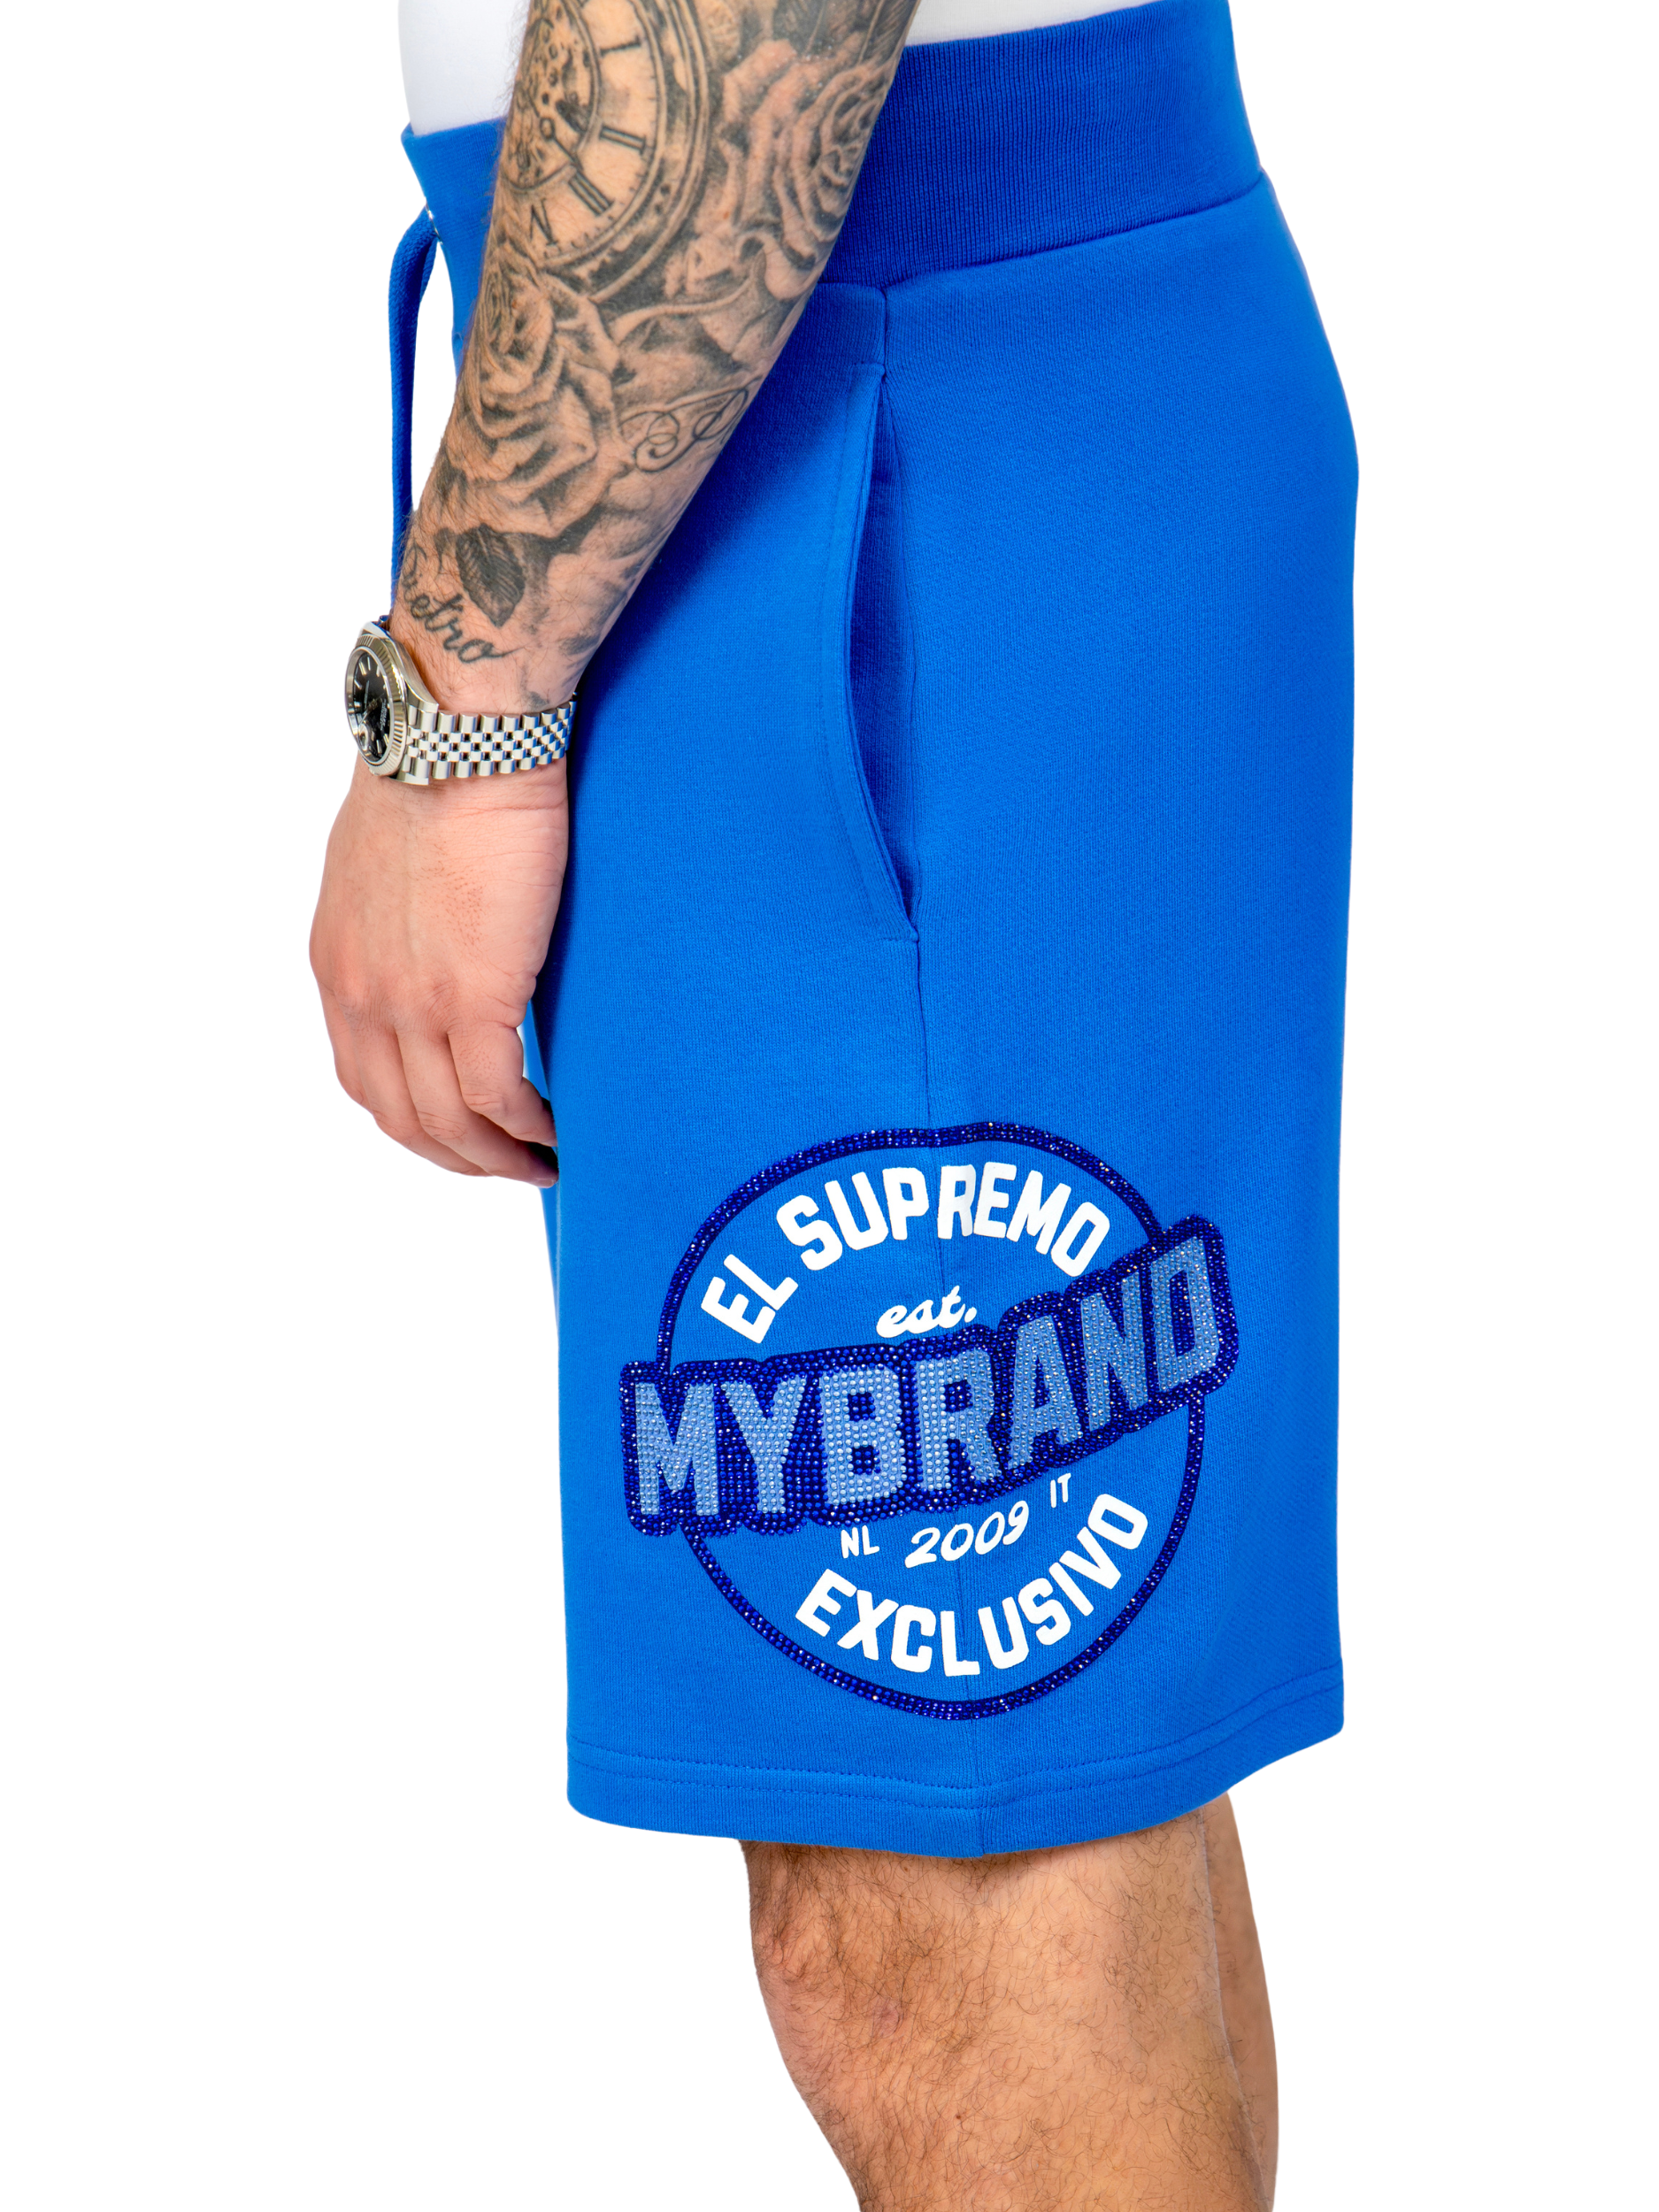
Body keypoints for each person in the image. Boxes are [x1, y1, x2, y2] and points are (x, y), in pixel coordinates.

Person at [311, 0, 1355, 2196]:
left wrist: (461, 711)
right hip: (853, 393)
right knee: (1037, 1779)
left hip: (854, 414)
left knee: (937, 1887)